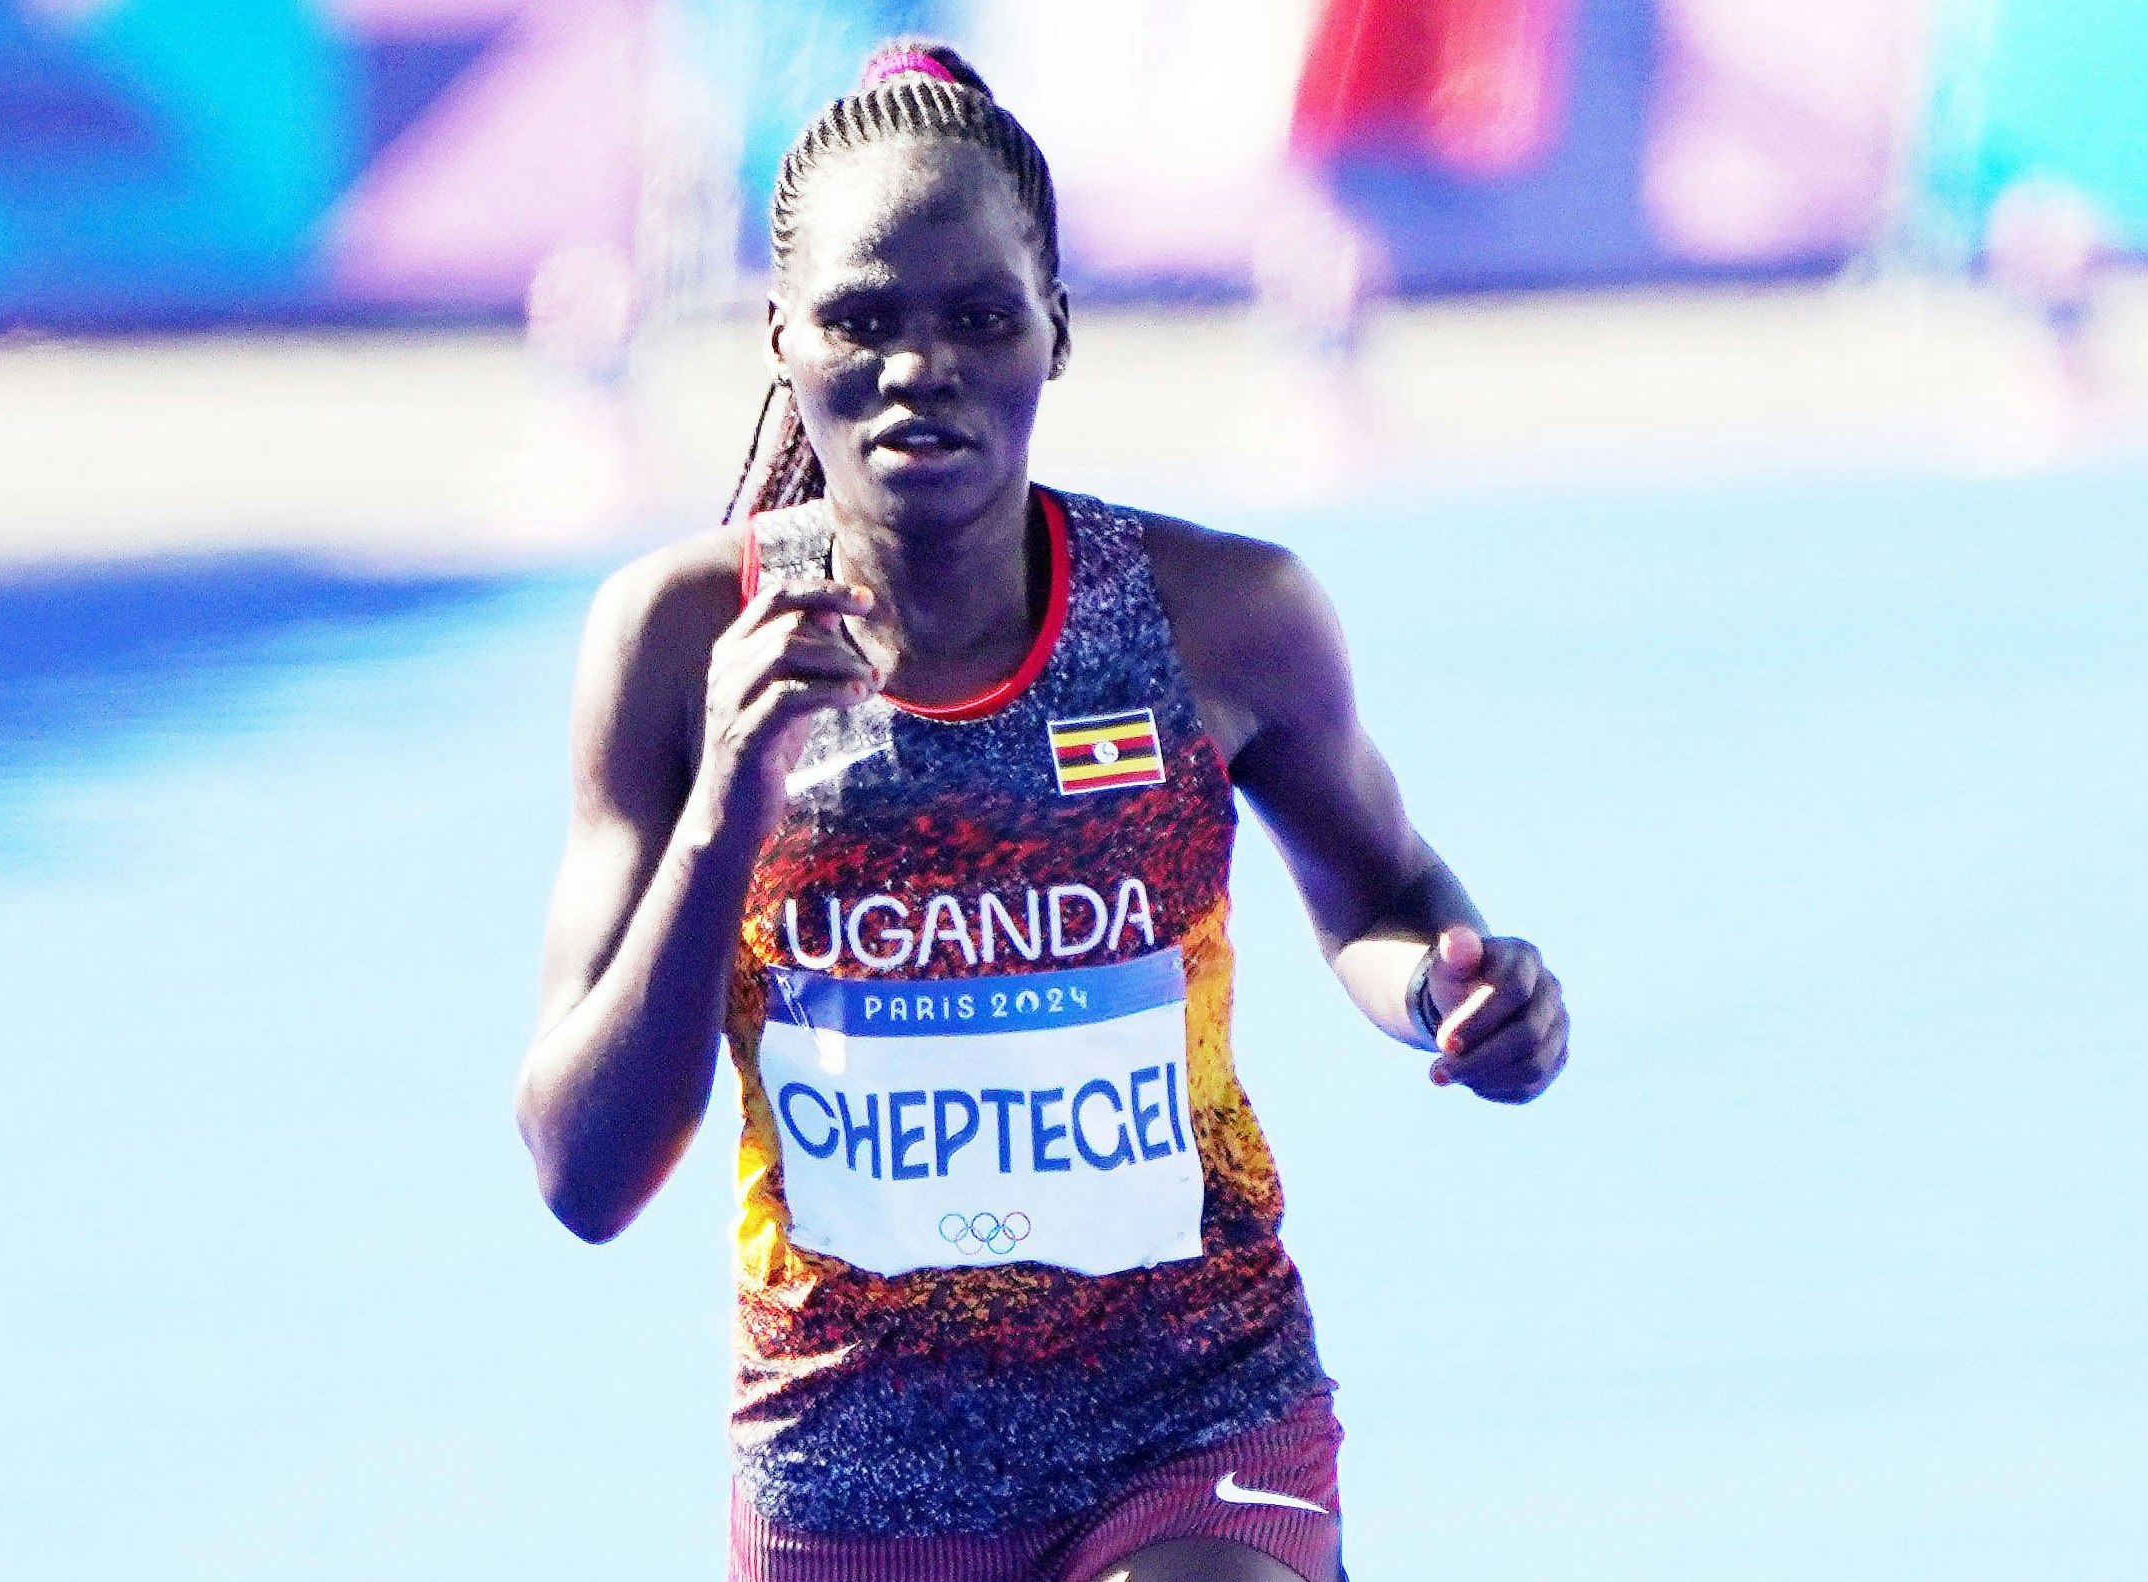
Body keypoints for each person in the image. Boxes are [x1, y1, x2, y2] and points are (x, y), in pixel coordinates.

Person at [516, 41, 1569, 1582]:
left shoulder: (1220, 615)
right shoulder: (679, 641)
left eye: (977, 316)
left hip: (1191, 1412)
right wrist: (722, 815)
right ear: (782, 339)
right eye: (861, 321)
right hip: (851, 1466)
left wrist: (1449, 991)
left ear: (1055, 330)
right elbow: (581, 1175)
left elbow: (1384, 884)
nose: (917, 368)